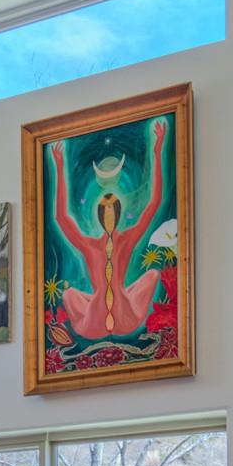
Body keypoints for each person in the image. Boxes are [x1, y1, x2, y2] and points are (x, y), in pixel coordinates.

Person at [48, 117, 171, 343]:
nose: (109, 215)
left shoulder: (127, 239)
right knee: (70, 294)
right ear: (99, 216)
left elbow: (154, 203)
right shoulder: (89, 245)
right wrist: (58, 167)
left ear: (118, 213)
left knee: (152, 274)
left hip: (125, 319)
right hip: (94, 322)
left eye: (112, 210)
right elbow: (61, 217)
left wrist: (157, 151)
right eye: (104, 211)